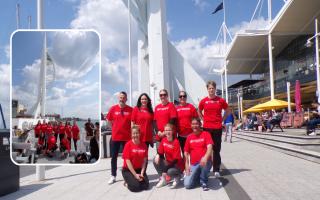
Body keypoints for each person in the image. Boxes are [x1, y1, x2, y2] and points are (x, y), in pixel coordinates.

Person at [198, 81, 229, 177]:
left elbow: (227, 111)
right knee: (206, 149)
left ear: (215, 89)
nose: (211, 90)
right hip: (207, 128)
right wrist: (203, 120)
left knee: (216, 149)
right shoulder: (203, 101)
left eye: (213, 88)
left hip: (217, 128)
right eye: (209, 88)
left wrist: (222, 120)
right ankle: (205, 169)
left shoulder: (220, 100)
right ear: (207, 89)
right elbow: (198, 110)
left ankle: (216, 169)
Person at [106, 91, 133, 184]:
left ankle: (128, 174)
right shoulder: (113, 109)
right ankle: (113, 175)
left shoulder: (130, 110)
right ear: (119, 98)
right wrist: (113, 128)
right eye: (120, 97)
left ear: (126, 99)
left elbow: (133, 123)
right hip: (115, 138)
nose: (122, 99)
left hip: (127, 138)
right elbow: (108, 120)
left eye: (124, 97)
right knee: (114, 157)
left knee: (127, 158)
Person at [184, 118, 213, 191]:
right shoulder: (189, 137)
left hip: (205, 162)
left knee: (204, 163)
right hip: (194, 164)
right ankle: (199, 175)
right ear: (191, 125)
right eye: (193, 124)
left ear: (200, 124)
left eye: (196, 124)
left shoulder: (206, 134)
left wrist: (205, 157)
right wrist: (187, 165)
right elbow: (186, 152)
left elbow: (210, 147)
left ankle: (203, 181)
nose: (195, 126)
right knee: (187, 185)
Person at [153, 123, 184, 189]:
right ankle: (163, 179)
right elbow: (160, 152)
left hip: (177, 165)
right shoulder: (164, 140)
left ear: (172, 131)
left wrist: (165, 170)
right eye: (166, 130)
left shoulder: (176, 142)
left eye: (169, 130)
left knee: (169, 171)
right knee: (155, 160)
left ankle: (178, 176)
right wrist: (158, 155)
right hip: (169, 163)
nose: (167, 132)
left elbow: (176, 160)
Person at [122, 126, 149, 192]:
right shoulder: (128, 145)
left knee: (146, 186)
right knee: (135, 187)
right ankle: (126, 183)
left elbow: (144, 161)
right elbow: (128, 162)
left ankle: (133, 180)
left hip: (139, 169)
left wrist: (142, 173)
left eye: (137, 133)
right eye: (133, 133)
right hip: (128, 170)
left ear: (139, 134)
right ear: (131, 134)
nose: (135, 135)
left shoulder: (144, 145)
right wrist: (135, 175)